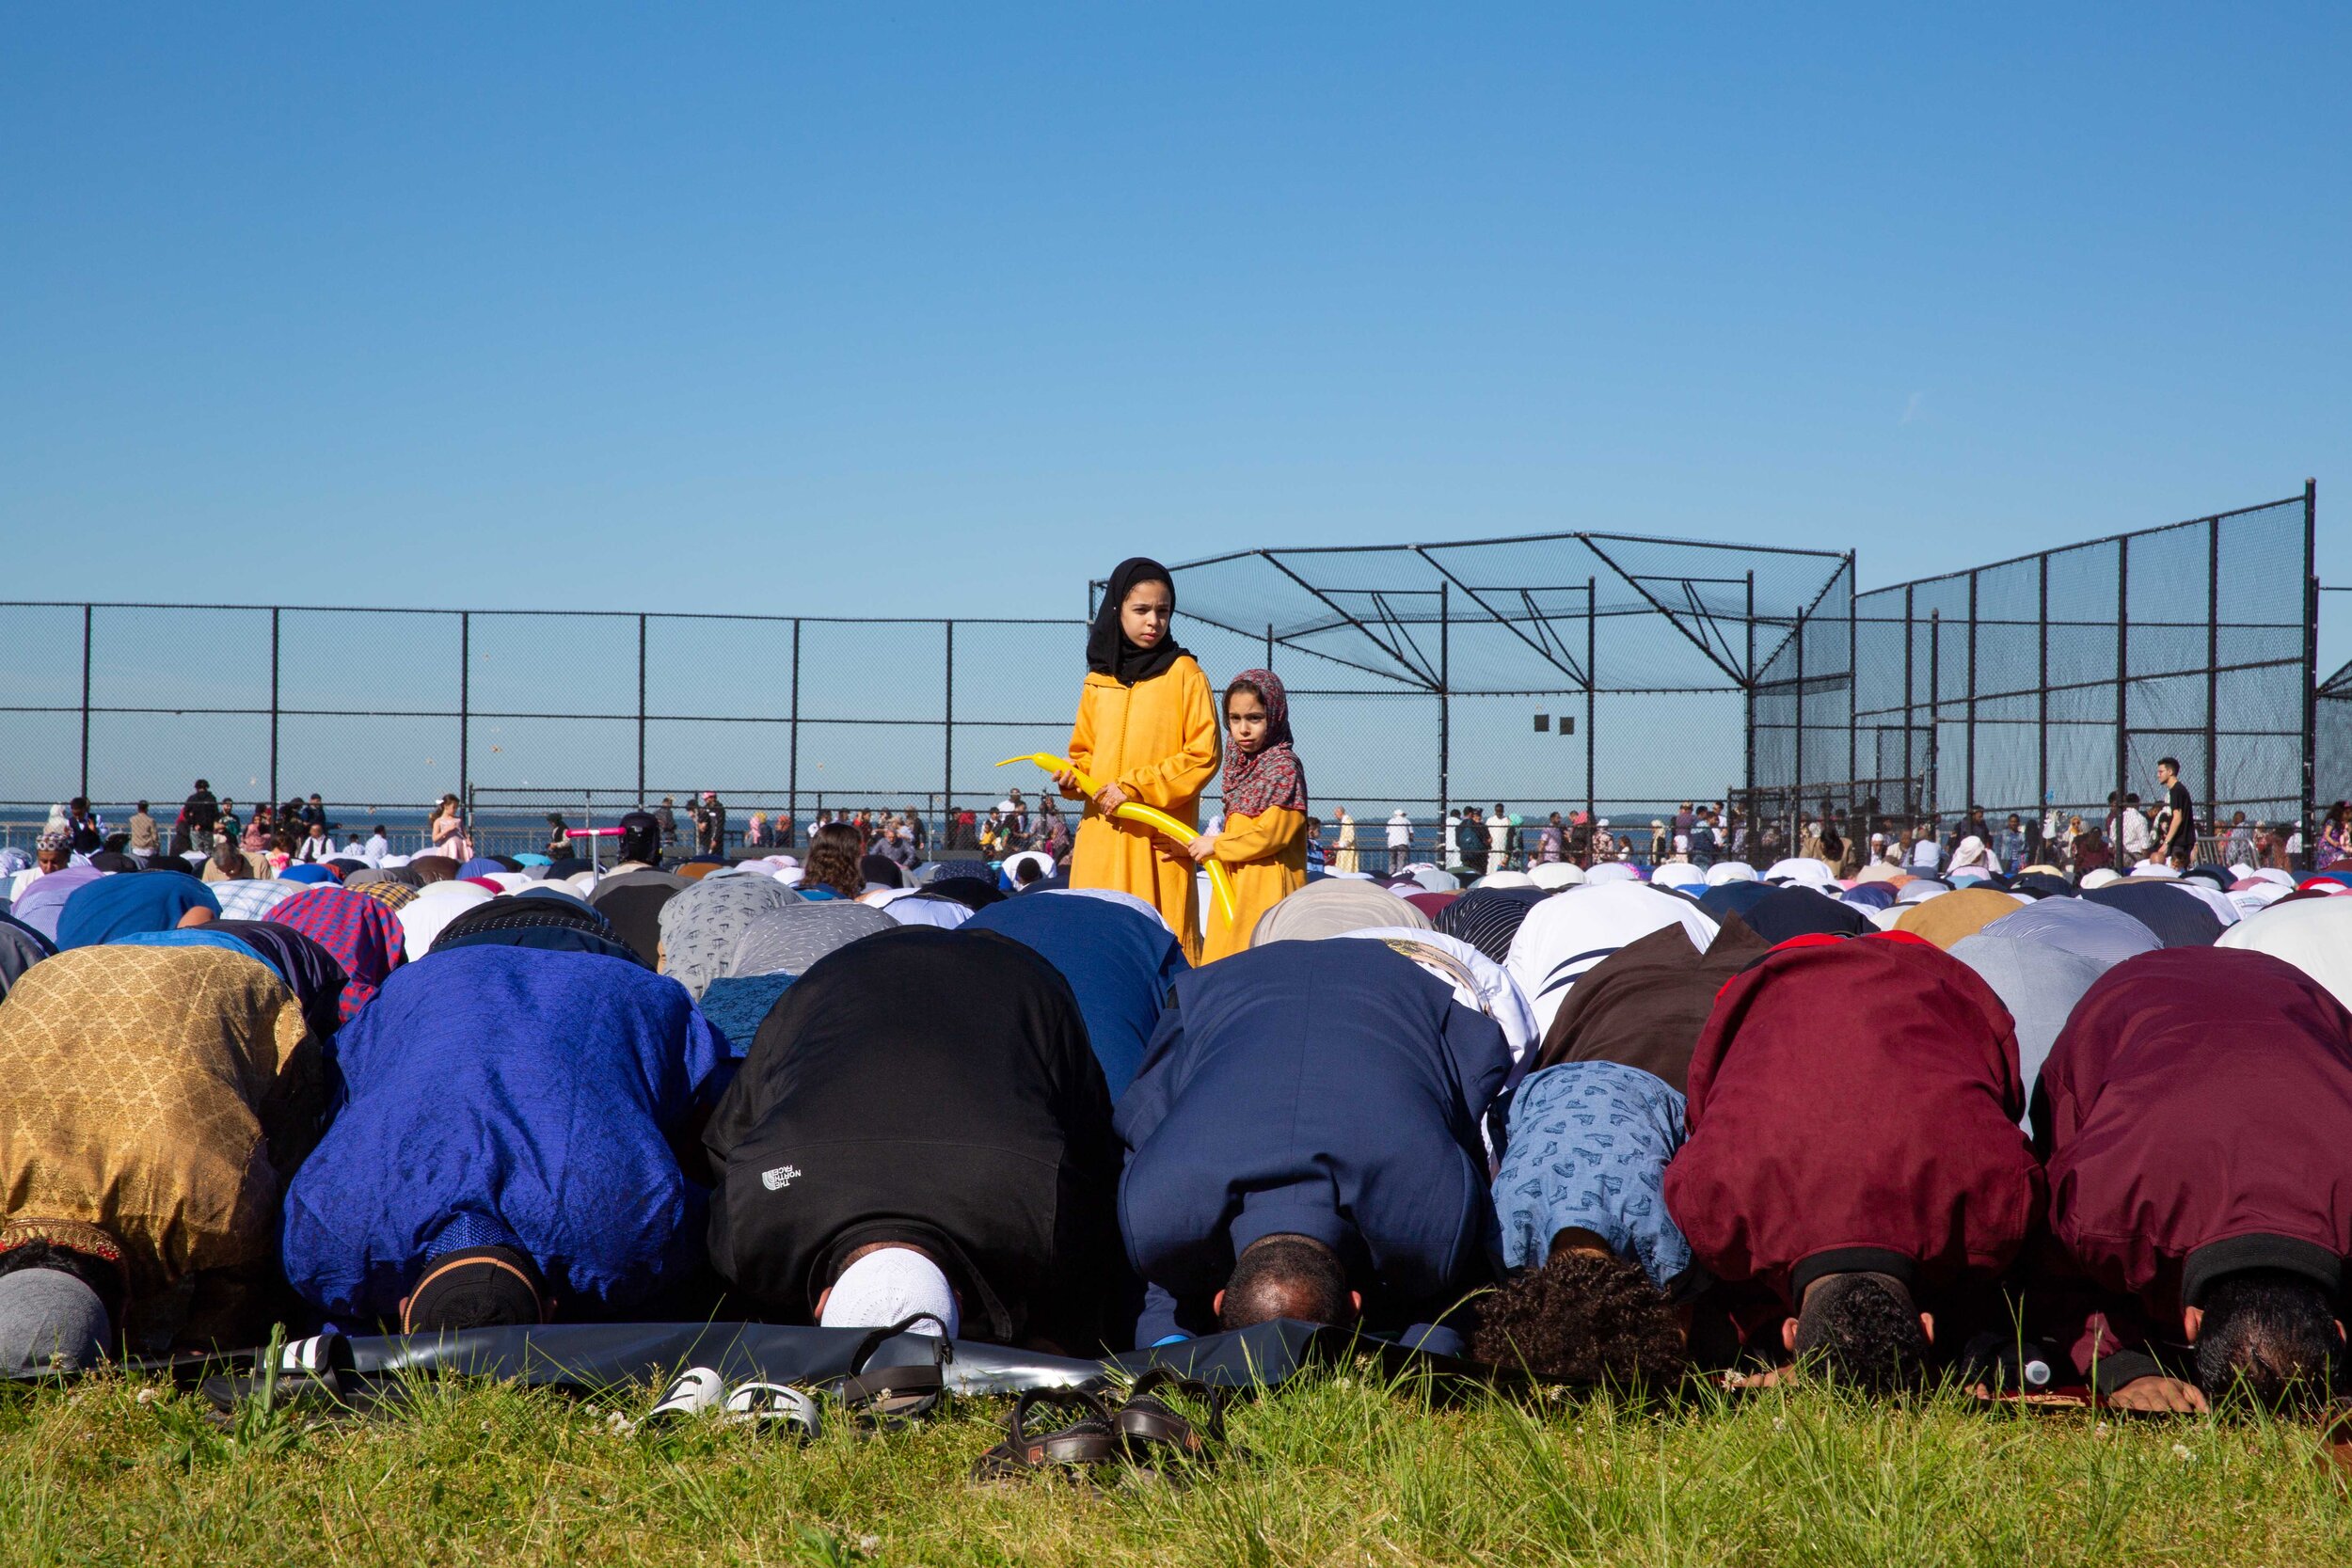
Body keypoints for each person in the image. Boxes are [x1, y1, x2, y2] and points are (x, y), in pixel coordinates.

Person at [704, 927, 1123, 1350]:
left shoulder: (1039, 1206)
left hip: (989, 978)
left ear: (820, 1304)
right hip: (873, 975)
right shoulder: (754, 1216)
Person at [1661, 935, 2042, 1391]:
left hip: (1917, 974)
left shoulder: (1998, 1204)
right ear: (1927, 1327)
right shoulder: (1713, 1207)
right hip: (1796, 979)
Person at [281, 945, 725, 1332]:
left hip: (609, 988)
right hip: (441, 981)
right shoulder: (326, 1242)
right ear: (554, 1311)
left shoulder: (622, 1238)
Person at [1118, 939, 1509, 1349]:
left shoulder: (1432, 1217)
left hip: (1400, 984)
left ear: (1218, 1302)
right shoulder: (1155, 1210)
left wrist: (1168, 1346)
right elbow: (1450, 1301)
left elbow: (1455, 1295)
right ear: (1355, 1305)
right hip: (1287, 984)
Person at [2033, 947, 2352, 1410]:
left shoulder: (2115, 1197)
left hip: (2291, 993)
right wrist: (2121, 1364)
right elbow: (2050, 1272)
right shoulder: (2104, 1203)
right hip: (2124, 1006)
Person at [0, 945, 320, 1364]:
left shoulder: (210, 1205)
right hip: (59, 974)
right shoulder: (196, 1201)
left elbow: (245, 1276)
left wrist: (204, 1345)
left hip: (225, 978)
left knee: (289, 1152)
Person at [1476, 1060, 1696, 1384]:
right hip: (1540, 1091)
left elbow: (1679, 1327)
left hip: (1651, 1095)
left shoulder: (1667, 1249)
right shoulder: (1506, 1236)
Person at [1059, 559, 1219, 962]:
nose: (1154, 622)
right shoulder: (1098, 679)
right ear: (1117, 611)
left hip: (1157, 843)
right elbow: (1083, 752)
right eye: (1142, 610)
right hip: (1100, 838)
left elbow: (1203, 755)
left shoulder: (1186, 674)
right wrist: (1072, 778)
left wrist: (1134, 786)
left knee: (1157, 952)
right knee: (1094, 947)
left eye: (1163, 611)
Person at [1185, 669, 1309, 961]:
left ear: (1275, 715)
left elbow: (1272, 835)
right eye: (1235, 718)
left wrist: (1217, 845)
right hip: (1235, 884)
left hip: (1266, 889)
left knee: (1259, 966)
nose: (1243, 729)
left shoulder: (1283, 767)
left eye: (1255, 718)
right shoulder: (1239, 766)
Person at [797, 821, 866, 900]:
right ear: (848, 860)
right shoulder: (842, 902)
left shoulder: (794, 896)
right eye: (859, 853)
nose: (863, 856)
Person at [2153, 758, 2196, 867]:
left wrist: (2166, 843)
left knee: (2176, 873)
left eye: (2161, 772)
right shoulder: (2177, 790)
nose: (2158, 775)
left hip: (2180, 843)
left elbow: (2178, 818)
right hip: (2182, 842)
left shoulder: (2176, 791)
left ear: (2170, 772)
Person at [428, 794, 471, 864]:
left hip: (459, 849)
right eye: (453, 807)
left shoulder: (458, 820)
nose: (455, 810)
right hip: (447, 850)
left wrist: (468, 841)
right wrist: (447, 829)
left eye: (456, 807)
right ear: (446, 806)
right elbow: (434, 839)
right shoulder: (439, 821)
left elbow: (465, 835)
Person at [182, 779, 220, 853]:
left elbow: (185, 813)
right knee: (208, 852)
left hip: (196, 828)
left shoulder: (192, 798)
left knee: (197, 852)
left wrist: (193, 823)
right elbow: (215, 814)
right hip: (208, 828)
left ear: (196, 788)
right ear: (207, 787)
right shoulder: (211, 798)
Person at [1455, 806, 1491, 876]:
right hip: (1480, 858)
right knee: (1479, 877)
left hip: (1465, 856)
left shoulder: (1461, 825)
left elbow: (1458, 843)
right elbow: (1488, 841)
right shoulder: (1482, 827)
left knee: (1467, 876)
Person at [693, 792, 727, 856]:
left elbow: (719, 826)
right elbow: (701, 820)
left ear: (712, 798)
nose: (705, 800)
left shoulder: (719, 809)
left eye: (706, 798)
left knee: (715, 858)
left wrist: (715, 839)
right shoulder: (706, 808)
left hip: (715, 840)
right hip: (706, 840)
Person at [125, 801, 159, 865]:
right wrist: (157, 846)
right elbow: (155, 837)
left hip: (136, 848)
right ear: (147, 808)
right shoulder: (151, 820)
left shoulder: (132, 819)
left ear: (138, 808)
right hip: (148, 849)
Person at [1387, 809, 1413, 877]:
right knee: (1401, 860)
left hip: (1392, 842)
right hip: (1403, 842)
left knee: (1392, 860)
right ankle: (1399, 875)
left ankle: (1391, 874)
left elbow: (1388, 832)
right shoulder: (1406, 821)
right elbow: (1411, 833)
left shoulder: (1391, 821)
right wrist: (1410, 840)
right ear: (1402, 814)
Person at [1331, 807, 1358, 874]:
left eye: (1335, 814)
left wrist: (1340, 845)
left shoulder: (1348, 821)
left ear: (1340, 812)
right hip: (1345, 849)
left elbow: (1350, 838)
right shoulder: (1345, 821)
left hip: (1347, 851)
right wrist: (1339, 843)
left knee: (1346, 870)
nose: (1335, 816)